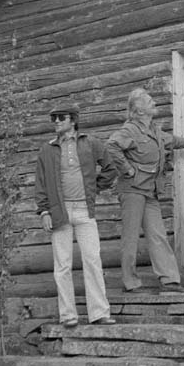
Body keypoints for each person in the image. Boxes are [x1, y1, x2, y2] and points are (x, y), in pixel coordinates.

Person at [33, 104, 119, 327]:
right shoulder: (47, 150)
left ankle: (99, 313)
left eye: (61, 117)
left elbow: (110, 168)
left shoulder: (90, 143)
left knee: (92, 260)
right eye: (53, 118)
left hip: (84, 210)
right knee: (62, 265)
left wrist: (94, 188)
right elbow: (40, 184)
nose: (56, 122)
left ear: (73, 120)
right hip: (59, 211)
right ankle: (68, 316)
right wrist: (44, 211)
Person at [106, 89, 184, 295]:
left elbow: (175, 141)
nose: (154, 103)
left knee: (158, 234)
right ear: (139, 109)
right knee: (131, 238)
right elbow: (112, 146)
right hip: (132, 191)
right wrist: (128, 169)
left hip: (149, 192)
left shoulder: (154, 130)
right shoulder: (130, 130)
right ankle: (131, 283)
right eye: (149, 101)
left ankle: (170, 281)